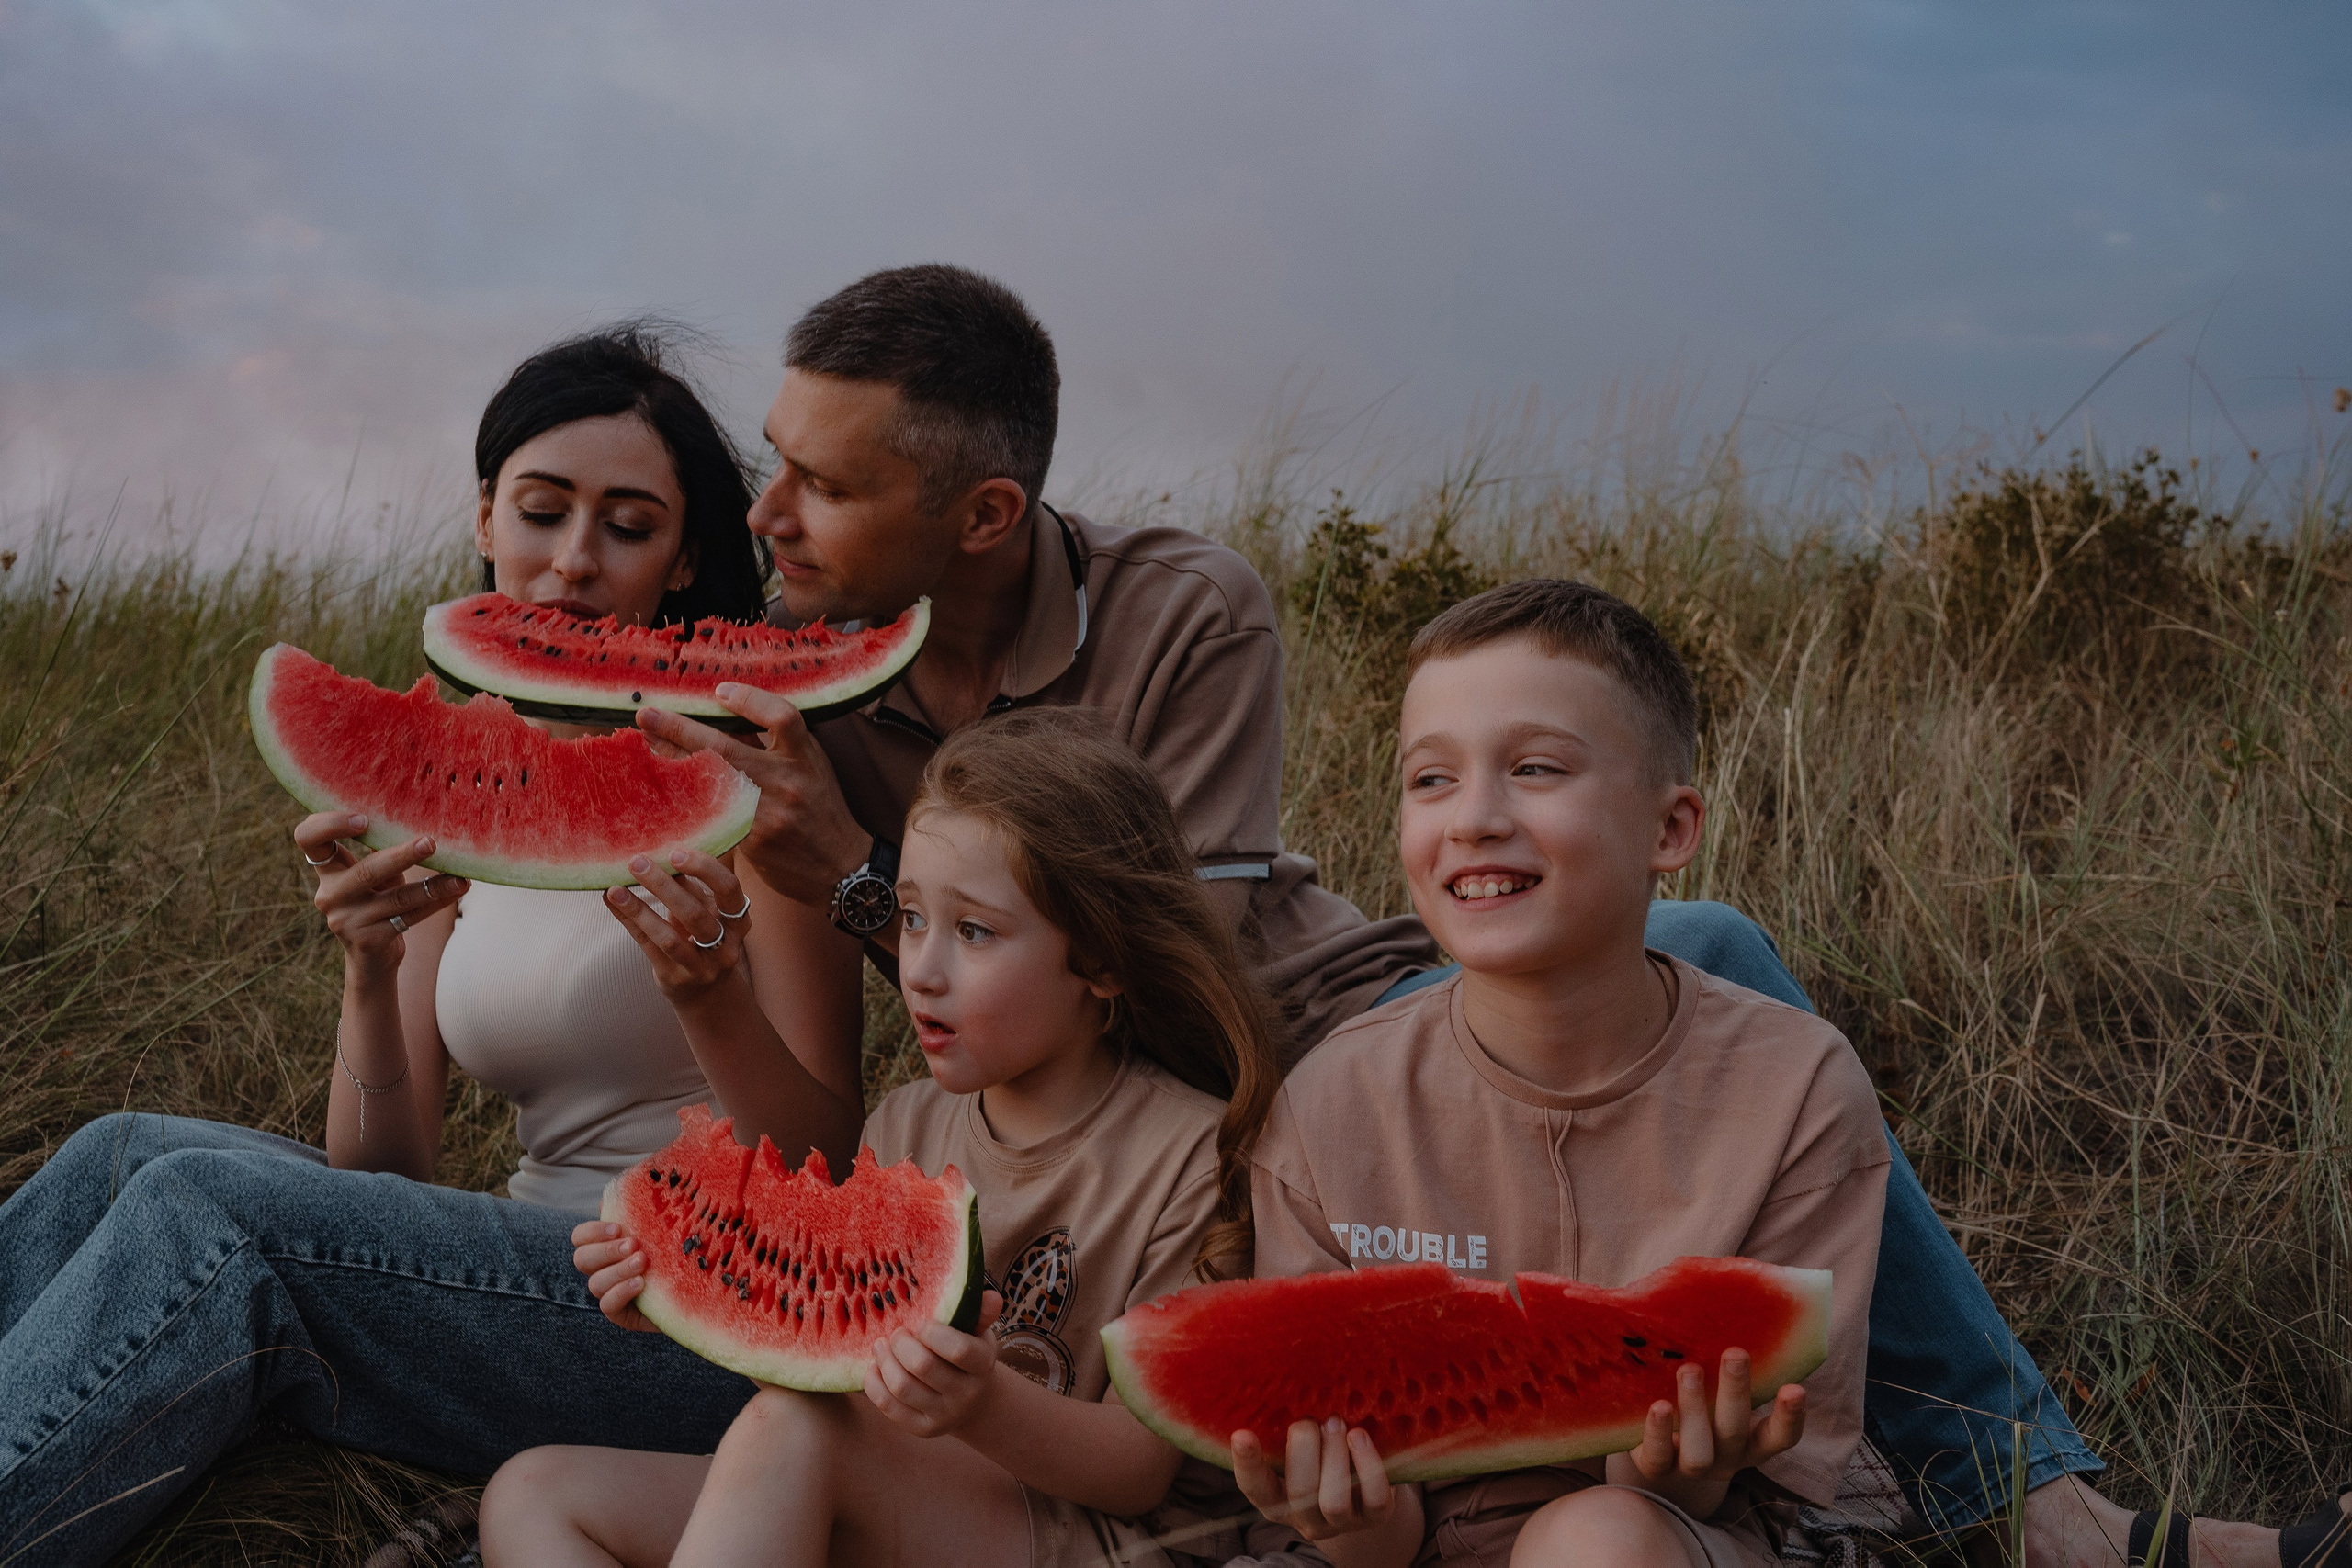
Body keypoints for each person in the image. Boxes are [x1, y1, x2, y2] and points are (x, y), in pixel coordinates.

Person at [644, 265, 2349, 1566]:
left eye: (820, 485)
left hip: (1312, 1015)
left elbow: (1166, 945)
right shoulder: (799, 694)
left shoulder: (1182, 606)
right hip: (1214, 1113)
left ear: (983, 513)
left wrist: (866, 884)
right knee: (1710, 984)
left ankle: (2033, 1507)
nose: (766, 519)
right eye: (770, 468)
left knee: (1731, 966)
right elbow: (844, 1106)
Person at [0, 326, 861, 1566]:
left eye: (626, 525)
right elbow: (382, 1166)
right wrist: (369, 968)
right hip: (521, 1270)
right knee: (121, 1149)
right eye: (542, 510)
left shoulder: (752, 785)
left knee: (210, 1210)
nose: (572, 560)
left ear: (680, 562)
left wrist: (713, 993)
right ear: (483, 518)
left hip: (703, 1313)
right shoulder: (468, 776)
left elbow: (828, 1159)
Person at [479, 708, 1286, 1568]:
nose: (922, 968)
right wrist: (697, 1300)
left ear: (1102, 960)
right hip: (906, 1503)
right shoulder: (906, 1125)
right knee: (536, 1494)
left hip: (1091, 1540)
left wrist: (979, 1405)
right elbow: (834, 1369)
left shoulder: (1191, 1156)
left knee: (796, 1434)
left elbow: (1138, 1470)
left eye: (973, 930)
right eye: (909, 919)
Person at [1226, 578, 1885, 1567]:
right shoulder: (1330, 1106)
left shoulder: (1792, 1089)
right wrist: (1349, 1515)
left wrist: (1676, 1469)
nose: (1474, 818)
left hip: (1689, 1538)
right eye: (1430, 780)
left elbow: (1751, 1486)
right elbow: (1375, 1538)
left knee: (1597, 1540)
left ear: (1670, 832)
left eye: (1535, 769)